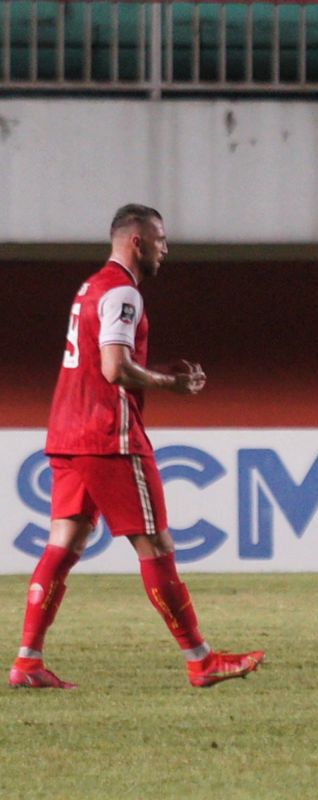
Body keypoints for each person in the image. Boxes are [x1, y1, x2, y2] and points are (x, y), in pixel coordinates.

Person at [9, 204, 264, 690]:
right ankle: (200, 660)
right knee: (156, 544)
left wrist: (160, 369)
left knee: (63, 545)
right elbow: (114, 368)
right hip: (110, 437)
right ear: (137, 242)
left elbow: (104, 359)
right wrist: (170, 383)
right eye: (162, 239)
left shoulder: (91, 287)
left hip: (67, 432)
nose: (167, 248)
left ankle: (27, 661)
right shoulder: (124, 292)